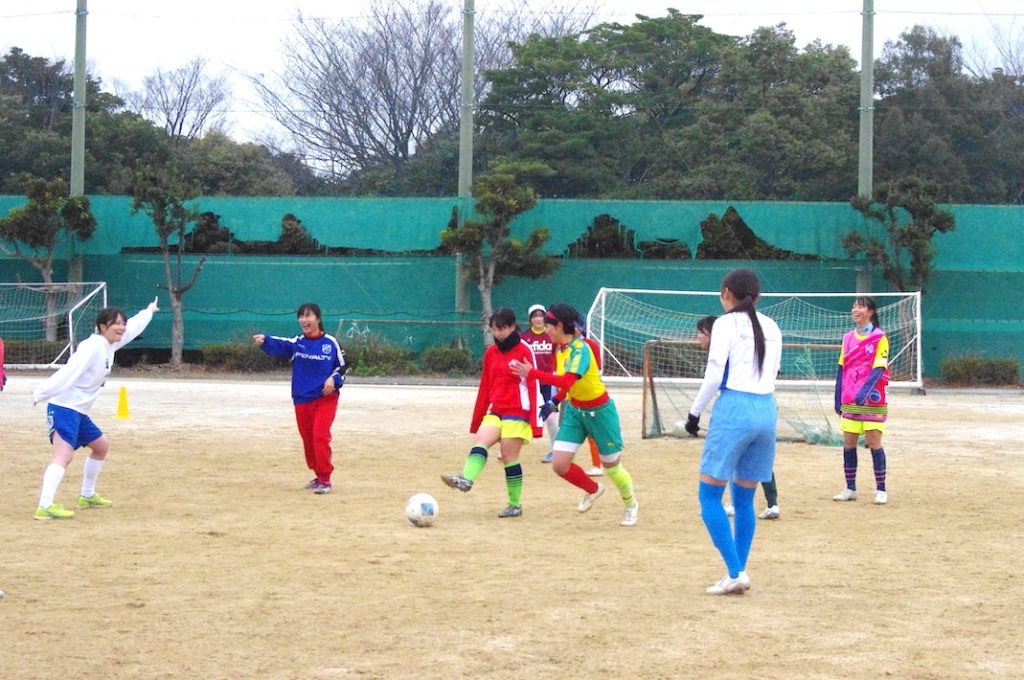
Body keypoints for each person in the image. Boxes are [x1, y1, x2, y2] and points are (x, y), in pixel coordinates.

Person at [685, 269, 782, 594]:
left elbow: (714, 375)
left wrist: (694, 412)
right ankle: (737, 571)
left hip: (734, 409)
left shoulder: (724, 324)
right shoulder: (772, 326)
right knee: (744, 498)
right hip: (766, 409)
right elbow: (774, 372)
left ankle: (735, 570)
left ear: (727, 292)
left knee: (709, 495)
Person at [510, 303, 639, 527]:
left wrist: (532, 374)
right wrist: (555, 401)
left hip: (600, 412)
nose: (546, 330)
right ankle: (593, 488)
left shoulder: (581, 349)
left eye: (549, 326)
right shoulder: (560, 350)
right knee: (560, 464)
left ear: (560, 325)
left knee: (612, 467)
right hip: (575, 411)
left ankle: (631, 504)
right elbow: (567, 386)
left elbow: (568, 380)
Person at [31, 297, 160, 520]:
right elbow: (69, 371)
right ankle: (45, 505)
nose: (121, 328)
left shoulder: (110, 344)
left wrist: (148, 310)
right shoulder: (92, 346)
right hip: (64, 408)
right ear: (102, 327)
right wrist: (42, 392)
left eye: (122, 323)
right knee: (64, 455)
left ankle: (87, 495)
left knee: (101, 446)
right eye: (116, 323)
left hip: (78, 411)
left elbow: (132, 329)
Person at [442, 307, 541, 518]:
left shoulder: (525, 350)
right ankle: (466, 479)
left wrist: (535, 423)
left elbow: (534, 384)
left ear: (513, 327)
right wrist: (477, 418)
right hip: (496, 410)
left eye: (502, 328)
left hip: (518, 410)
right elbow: (485, 386)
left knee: (508, 455)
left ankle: (515, 505)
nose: (497, 333)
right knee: (481, 440)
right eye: (494, 329)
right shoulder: (491, 353)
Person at [254, 302, 345, 495]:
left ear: (318, 319)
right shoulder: (298, 343)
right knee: (308, 440)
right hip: (302, 399)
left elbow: (342, 369)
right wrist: (265, 340)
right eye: (301, 316)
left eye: (308, 316)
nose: (304, 320)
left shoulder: (330, 343)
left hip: (325, 399)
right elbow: (281, 344)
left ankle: (325, 479)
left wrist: (333, 379)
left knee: (320, 436)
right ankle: (318, 474)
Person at [696, 314, 780, 520]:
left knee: (738, 456)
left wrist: (694, 413)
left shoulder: (725, 349)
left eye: (701, 333)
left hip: (743, 407)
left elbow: (714, 380)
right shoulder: (743, 342)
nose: (698, 337)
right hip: (763, 404)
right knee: (754, 460)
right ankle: (771, 503)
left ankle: (757, 502)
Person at [832, 295, 890, 505]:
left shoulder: (880, 338)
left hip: (872, 401)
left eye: (861, 306)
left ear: (871, 312)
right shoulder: (847, 338)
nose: (856, 310)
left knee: (874, 443)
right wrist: (838, 396)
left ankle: (881, 489)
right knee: (849, 443)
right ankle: (850, 487)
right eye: (854, 306)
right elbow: (841, 368)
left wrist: (863, 393)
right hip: (850, 399)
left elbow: (879, 368)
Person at [520, 304, 559, 464]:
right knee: (522, 414)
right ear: (530, 319)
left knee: (551, 417)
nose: (538, 319)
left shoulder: (551, 335)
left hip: (548, 382)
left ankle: (555, 450)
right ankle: (511, 448)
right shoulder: (523, 337)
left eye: (541, 316)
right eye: (535, 316)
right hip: (531, 382)